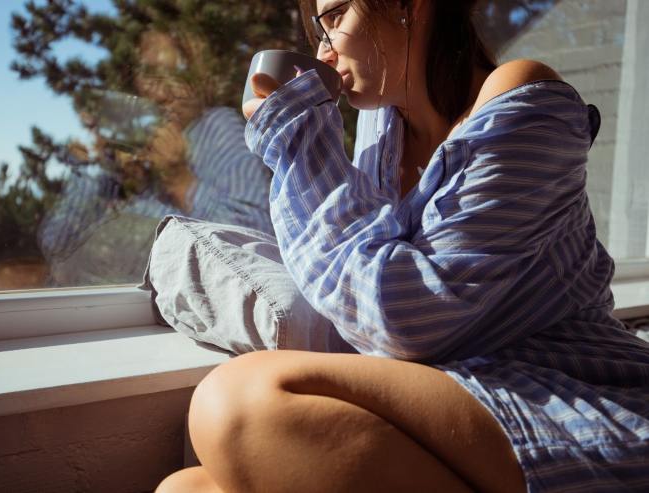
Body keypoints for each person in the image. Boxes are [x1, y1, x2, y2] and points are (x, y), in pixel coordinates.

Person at [156, 0, 649, 492]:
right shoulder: (381, 130)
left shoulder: (525, 99)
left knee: (235, 403)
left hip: (565, 389)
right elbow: (352, 288)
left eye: (335, 17)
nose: (324, 53)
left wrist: (299, 139)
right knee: (184, 489)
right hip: (457, 386)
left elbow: (400, 317)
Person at [38, 30, 273, 286]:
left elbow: (258, 241)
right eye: (150, 75)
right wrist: (97, 167)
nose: (160, 93)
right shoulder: (128, 146)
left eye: (174, 74)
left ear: (196, 78)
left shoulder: (217, 128)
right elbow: (54, 242)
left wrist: (180, 180)